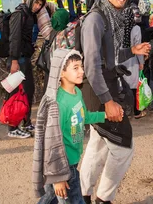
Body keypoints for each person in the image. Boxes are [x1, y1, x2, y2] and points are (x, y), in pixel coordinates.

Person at [79, 0, 150, 204]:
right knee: (124, 146)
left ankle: (83, 195)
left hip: (102, 86)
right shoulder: (96, 19)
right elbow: (91, 65)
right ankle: (104, 198)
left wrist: (133, 50)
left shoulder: (111, 18)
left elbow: (110, 56)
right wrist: (108, 101)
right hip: (96, 90)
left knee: (97, 144)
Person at [35, 51, 107, 203]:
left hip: (71, 161)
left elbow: (84, 116)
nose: (82, 71)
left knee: (49, 198)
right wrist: (57, 178)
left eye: (81, 66)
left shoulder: (77, 93)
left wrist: (104, 115)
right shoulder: (58, 105)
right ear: (61, 72)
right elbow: (51, 144)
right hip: (63, 166)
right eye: (75, 67)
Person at [7, 0, 46, 138]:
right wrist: (14, 60)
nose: (37, 7)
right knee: (16, 94)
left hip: (25, 58)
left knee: (28, 91)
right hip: (18, 59)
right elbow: (14, 38)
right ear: (30, 0)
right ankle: (12, 128)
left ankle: (26, 121)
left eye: (40, 5)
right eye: (36, 3)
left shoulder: (29, 14)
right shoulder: (19, 14)